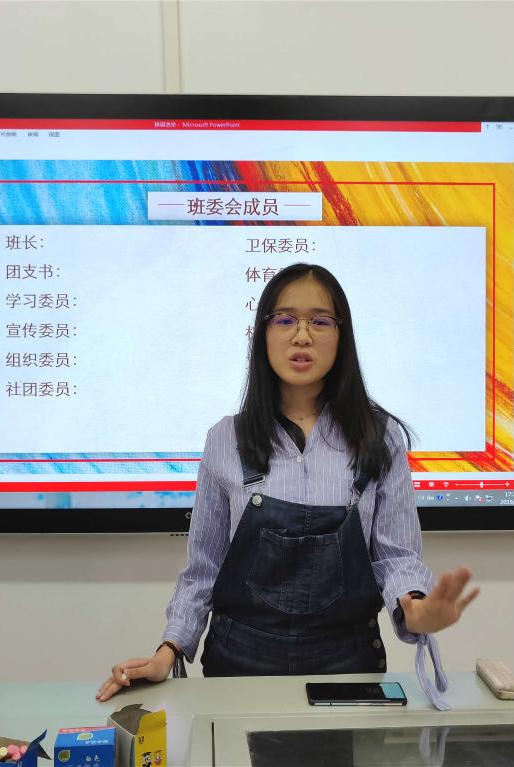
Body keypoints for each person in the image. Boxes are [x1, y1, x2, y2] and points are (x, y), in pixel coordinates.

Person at [96, 263, 478, 708]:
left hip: (348, 666)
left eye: (320, 321)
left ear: (342, 335)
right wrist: (169, 650)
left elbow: (396, 556)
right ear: (263, 333)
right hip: (237, 667)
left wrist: (416, 608)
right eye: (285, 320)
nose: (302, 336)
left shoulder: (380, 437)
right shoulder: (226, 438)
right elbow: (204, 569)